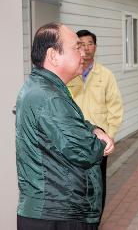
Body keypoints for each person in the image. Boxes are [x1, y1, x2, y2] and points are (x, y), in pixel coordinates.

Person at [15, 23, 115, 230]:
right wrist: (98, 139)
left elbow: (70, 125)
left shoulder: (45, 88)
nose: (83, 51)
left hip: (56, 208)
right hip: (59, 212)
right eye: (76, 47)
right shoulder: (49, 96)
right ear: (53, 56)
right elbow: (86, 151)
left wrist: (94, 129)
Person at [67, 30, 123, 218]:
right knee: (74, 181)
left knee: (98, 182)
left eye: (90, 43)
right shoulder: (70, 73)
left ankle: (95, 220)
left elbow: (115, 107)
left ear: (95, 47)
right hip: (73, 138)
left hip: (99, 140)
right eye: (81, 44)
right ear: (76, 47)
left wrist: (110, 135)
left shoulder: (105, 75)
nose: (86, 48)